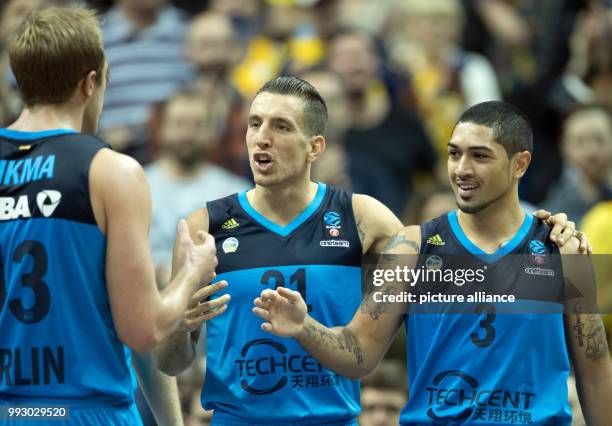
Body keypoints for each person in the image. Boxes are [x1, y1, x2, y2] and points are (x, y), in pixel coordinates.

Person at [157, 77, 583, 425]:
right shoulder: (204, 227)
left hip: (335, 419)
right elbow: (171, 361)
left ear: (315, 147)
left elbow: (468, 283)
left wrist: (552, 245)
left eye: (280, 126)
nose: (261, 139)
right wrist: (178, 328)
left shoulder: (366, 219)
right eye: (254, 124)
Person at [254, 101, 611, 425]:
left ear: (520, 163)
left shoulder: (560, 248)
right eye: (454, 154)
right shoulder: (412, 247)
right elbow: (360, 350)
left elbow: (595, 371)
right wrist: (304, 327)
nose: (461, 169)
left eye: (480, 156)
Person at [0, 7, 223, 425]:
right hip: (89, 411)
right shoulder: (109, 171)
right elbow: (142, 331)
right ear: (90, 83)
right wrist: (192, 275)